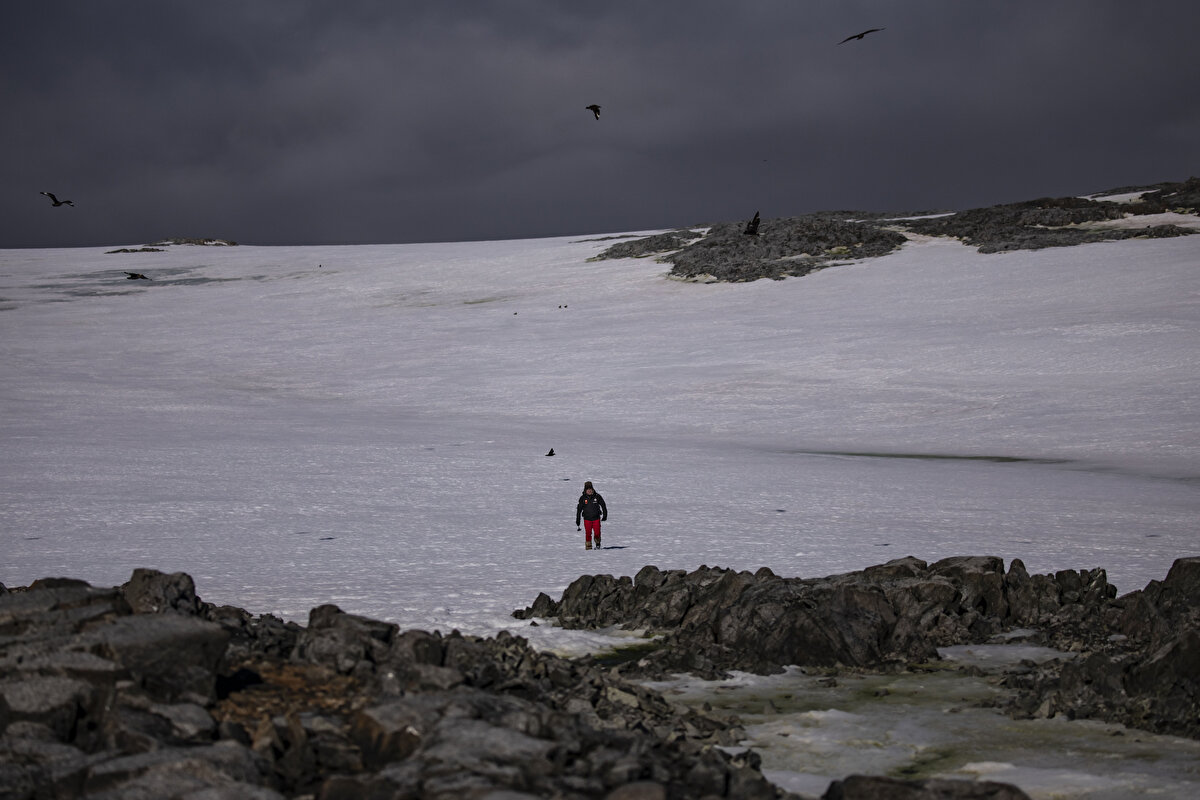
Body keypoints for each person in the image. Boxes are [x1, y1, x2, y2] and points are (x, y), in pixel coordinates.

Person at [575, 481, 607, 550]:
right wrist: (578, 520)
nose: (589, 491)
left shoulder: (597, 496)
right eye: (587, 489)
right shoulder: (582, 498)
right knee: (588, 533)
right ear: (585, 490)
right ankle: (588, 547)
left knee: (597, 532)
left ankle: (598, 544)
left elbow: (603, 505)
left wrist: (605, 515)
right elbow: (579, 510)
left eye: (590, 489)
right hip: (587, 519)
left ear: (592, 489)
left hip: (596, 518)